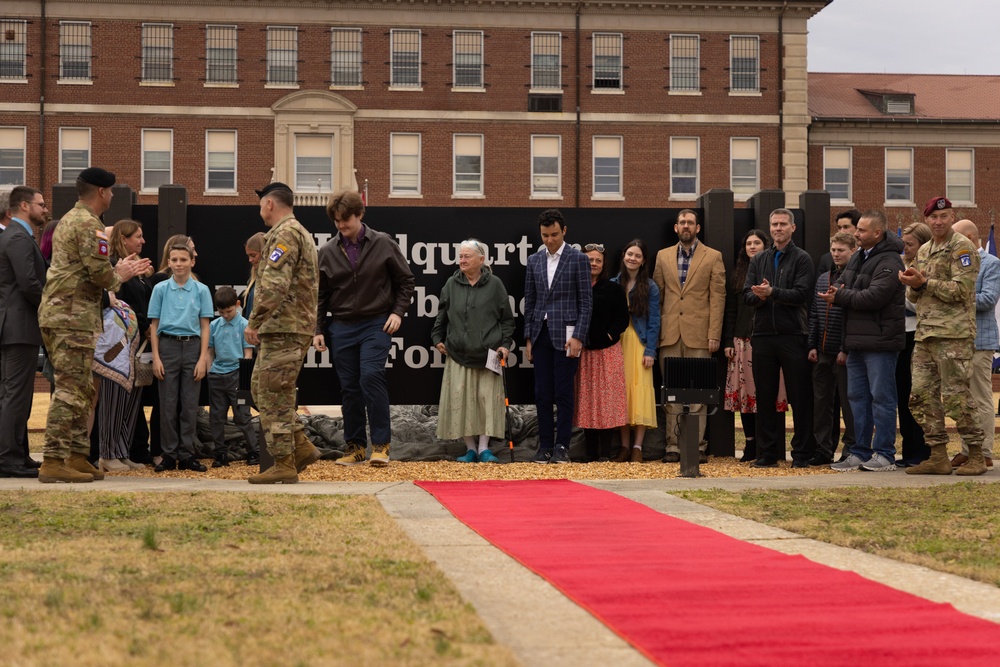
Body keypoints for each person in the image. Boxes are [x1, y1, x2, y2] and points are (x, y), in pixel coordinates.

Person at [37, 167, 150, 483]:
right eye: (111, 191)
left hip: (69, 314)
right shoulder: (89, 225)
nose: (112, 196)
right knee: (72, 390)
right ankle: (53, 460)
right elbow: (101, 275)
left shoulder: (71, 220)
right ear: (102, 192)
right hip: (70, 316)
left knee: (83, 388)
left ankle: (75, 455)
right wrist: (122, 274)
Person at [314, 189, 414, 468]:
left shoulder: (383, 243)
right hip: (342, 327)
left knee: (371, 377)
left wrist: (397, 312)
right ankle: (355, 447)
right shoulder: (326, 251)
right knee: (349, 388)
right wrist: (318, 329)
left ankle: (381, 445)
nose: (341, 226)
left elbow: (406, 281)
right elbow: (320, 295)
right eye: (336, 221)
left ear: (359, 215)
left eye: (346, 220)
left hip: (375, 323)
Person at [899, 196, 985, 476]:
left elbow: (962, 290)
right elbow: (916, 293)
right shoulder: (924, 249)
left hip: (954, 334)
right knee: (920, 396)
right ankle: (937, 455)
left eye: (944, 216)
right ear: (927, 220)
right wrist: (912, 285)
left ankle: (975, 454)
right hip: (925, 334)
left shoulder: (962, 247)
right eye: (934, 218)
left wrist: (925, 283)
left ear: (952, 217)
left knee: (956, 397)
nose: (938, 221)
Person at [245, 182, 321, 483]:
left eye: (261, 203)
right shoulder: (291, 232)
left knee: (274, 392)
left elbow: (275, 287)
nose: (260, 208)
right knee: (261, 389)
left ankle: (285, 462)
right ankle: (300, 447)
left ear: (270, 204)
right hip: (285, 327)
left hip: (284, 327)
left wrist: (255, 321)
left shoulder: (285, 234)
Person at [821, 211, 905, 472]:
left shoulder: (891, 261)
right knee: (857, 398)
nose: (856, 234)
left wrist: (844, 297)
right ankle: (859, 451)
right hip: (855, 341)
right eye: (857, 229)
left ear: (877, 233)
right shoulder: (858, 255)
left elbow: (874, 298)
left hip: (881, 343)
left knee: (882, 399)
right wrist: (844, 294)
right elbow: (842, 285)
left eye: (862, 231)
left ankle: (885, 454)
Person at [743, 208, 816, 468]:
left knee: (800, 397)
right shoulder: (759, 259)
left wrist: (771, 292)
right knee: (765, 397)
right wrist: (760, 296)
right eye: (774, 224)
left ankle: (802, 454)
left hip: (793, 335)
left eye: (783, 224)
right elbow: (746, 295)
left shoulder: (802, 258)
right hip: (762, 335)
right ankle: (768, 453)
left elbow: (801, 294)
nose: (778, 228)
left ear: (792, 228)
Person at [652, 209, 726, 463]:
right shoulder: (662, 257)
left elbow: (718, 298)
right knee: (671, 393)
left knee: (698, 396)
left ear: (698, 228)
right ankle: (673, 447)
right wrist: (655, 336)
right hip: (670, 335)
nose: (686, 226)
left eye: (690, 222)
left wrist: (714, 333)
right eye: (682, 222)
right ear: (676, 228)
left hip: (700, 336)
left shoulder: (713, 257)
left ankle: (696, 447)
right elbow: (657, 297)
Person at [432, 239, 514, 463]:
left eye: (467, 256)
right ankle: (470, 448)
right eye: (460, 256)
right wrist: (436, 338)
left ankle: (484, 448)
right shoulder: (451, 283)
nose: (462, 260)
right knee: (463, 400)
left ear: (481, 259)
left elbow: (507, 320)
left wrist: (505, 345)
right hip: (458, 353)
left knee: (485, 401)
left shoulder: (495, 284)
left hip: (488, 354)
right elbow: (442, 314)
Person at [523, 208, 593, 464]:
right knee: (542, 393)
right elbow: (529, 302)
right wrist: (528, 338)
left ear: (564, 231)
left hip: (567, 336)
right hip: (540, 335)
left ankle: (563, 446)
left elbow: (586, 302)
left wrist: (579, 336)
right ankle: (544, 446)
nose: (549, 240)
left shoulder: (578, 260)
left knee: (563, 392)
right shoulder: (534, 261)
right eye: (545, 235)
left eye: (554, 234)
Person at [723, 229, 789, 462]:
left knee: (765, 394)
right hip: (741, 341)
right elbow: (731, 310)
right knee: (745, 397)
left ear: (765, 246)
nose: (752, 246)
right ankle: (750, 443)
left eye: (757, 242)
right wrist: (728, 340)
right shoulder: (738, 275)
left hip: (767, 340)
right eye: (748, 243)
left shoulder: (774, 270)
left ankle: (768, 445)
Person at [148, 242, 213, 473]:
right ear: (169, 262)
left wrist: (203, 358)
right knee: (167, 404)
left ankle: (187, 454)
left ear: (192, 262)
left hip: (193, 347)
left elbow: (205, 326)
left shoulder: (202, 290)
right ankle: (169, 454)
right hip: (167, 346)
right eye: (174, 260)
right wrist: (156, 357)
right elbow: (154, 325)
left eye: (183, 260)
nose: (179, 264)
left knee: (189, 404)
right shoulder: (161, 289)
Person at [0, 186, 48, 477]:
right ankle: (9, 459)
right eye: (40, 204)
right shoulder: (17, 237)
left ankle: (19, 453)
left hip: (16, 326)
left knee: (15, 393)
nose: (44, 209)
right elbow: (28, 283)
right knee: (15, 395)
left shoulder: (14, 235)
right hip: (19, 327)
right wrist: (51, 307)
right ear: (23, 206)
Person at [950, 219, 1000, 470]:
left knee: (980, 397)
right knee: (963, 400)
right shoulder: (958, 263)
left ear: (970, 237)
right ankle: (968, 449)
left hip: (980, 340)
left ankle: (986, 451)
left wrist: (953, 293)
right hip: (957, 339)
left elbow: (988, 299)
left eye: (956, 239)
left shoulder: (991, 263)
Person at [574, 243, 629, 462]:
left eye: (597, 260)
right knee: (587, 402)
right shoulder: (576, 287)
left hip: (607, 353)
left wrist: (608, 336)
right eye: (589, 260)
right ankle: (589, 454)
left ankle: (605, 454)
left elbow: (622, 319)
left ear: (603, 264)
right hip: (584, 353)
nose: (593, 264)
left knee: (606, 403)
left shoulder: (613, 289)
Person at [806, 232, 856, 466]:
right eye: (834, 250)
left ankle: (851, 448)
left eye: (841, 250)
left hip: (844, 352)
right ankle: (823, 449)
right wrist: (813, 345)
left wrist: (845, 348)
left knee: (848, 403)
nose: (836, 254)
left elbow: (851, 317)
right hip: (822, 351)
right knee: (821, 403)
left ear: (852, 251)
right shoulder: (823, 278)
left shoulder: (855, 278)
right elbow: (815, 313)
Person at [108, 219, 155, 466]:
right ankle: (111, 451)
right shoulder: (115, 268)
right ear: (124, 239)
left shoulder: (136, 270)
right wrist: (146, 326)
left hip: (139, 341)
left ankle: (127, 450)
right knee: (118, 397)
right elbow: (121, 306)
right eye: (138, 236)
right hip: (121, 343)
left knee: (133, 399)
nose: (142, 240)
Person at [611, 239, 660, 462]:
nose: (632, 258)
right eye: (630, 254)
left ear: (643, 261)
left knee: (639, 393)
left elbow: (654, 321)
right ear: (623, 255)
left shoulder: (650, 287)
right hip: (617, 345)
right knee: (622, 393)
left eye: (637, 256)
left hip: (639, 344)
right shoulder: (613, 284)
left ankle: (638, 447)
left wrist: (651, 350)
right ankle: (624, 446)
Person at [207, 286, 259, 468]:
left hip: (237, 374)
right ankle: (220, 453)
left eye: (229, 311)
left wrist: (245, 381)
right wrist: (209, 371)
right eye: (222, 312)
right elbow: (210, 351)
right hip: (217, 375)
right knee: (216, 416)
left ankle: (254, 451)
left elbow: (248, 353)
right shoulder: (214, 325)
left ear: (237, 305)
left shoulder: (245, 325)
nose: (226, 315)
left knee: (243, 415)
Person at [895, 222, 931, 468]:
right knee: (902, 395)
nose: (905, 248)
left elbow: (922, 306)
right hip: (899, 336)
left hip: (919, 334)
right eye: (903, 244)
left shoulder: (928, 267)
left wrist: (906, 291)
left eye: (910, 244)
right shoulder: (899, 265)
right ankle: (908, 452)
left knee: (919, 394)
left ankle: (923, 452)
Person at [817, 209, 861, 274]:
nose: (842, 231)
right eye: (839, 228)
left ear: (857, 228)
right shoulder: (827, 259)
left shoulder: (867, 255)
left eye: (846, 227)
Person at [240, 231, 265, 321]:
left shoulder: (274, 280)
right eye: (248, 256)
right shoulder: (252, 280)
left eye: (253, 255)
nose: (250, 260)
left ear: (264, 252)